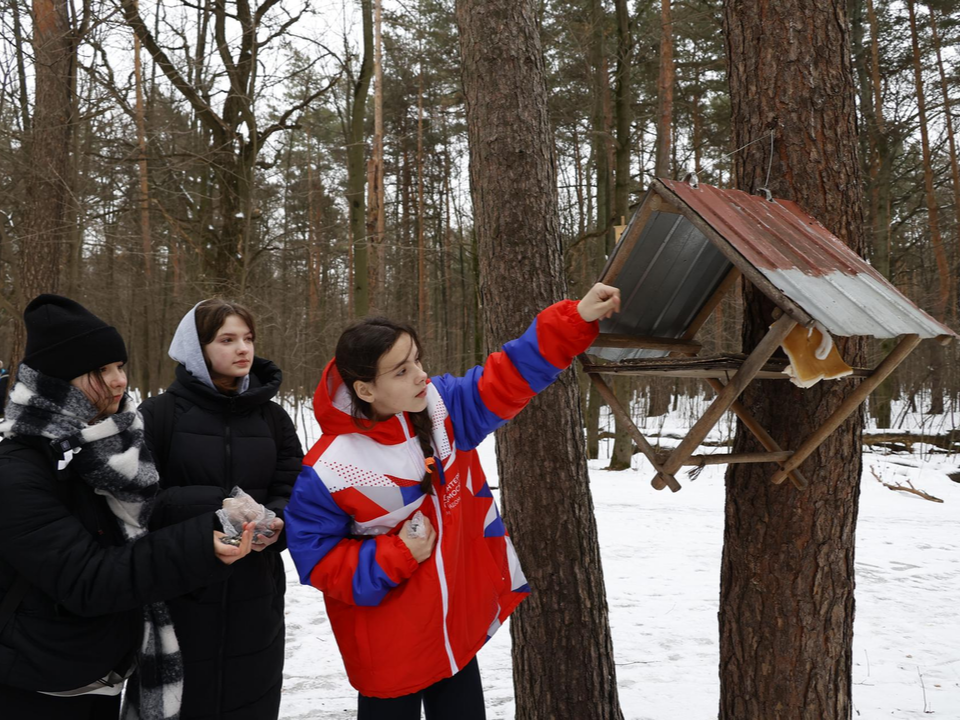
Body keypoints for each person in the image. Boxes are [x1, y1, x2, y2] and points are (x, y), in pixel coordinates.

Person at [285, 282, 621, 719]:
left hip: (453, 637)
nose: (421, 375)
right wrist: (396, 554)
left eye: (417, 360)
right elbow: (319, 560)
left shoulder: (442, 408)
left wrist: (576, 318)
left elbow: (509, 374)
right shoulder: (330, 468)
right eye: (401, 371)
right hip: (390, 652)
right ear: (366, 390)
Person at [0, 294, 255, 720]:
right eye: (101, 370)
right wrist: (198, 545)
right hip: (39, 687)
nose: (119, 380)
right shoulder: (16, 471)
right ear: (58, 380)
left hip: (100, 676)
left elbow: (139, 515)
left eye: (119, 366)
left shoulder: (99, 447)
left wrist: (216, 507)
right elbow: (89, 579)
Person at [140, 299, 303, 720]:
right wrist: (217, 506)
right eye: (227, 340)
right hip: (181, 590)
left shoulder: (274, 420)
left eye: (247, 339)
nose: (243, 349)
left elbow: (293, 490)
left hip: (256, 592)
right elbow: (140, 503)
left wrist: (276, 523)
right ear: (197, 349)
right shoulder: (158, 416)